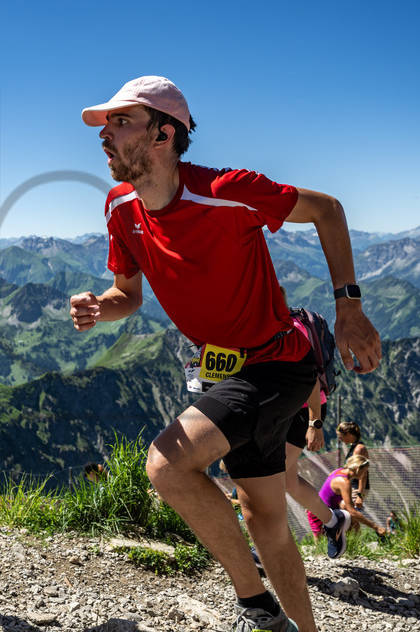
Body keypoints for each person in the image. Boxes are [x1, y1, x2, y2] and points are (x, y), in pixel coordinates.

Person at [70, 76, 381, 632]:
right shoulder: (120, 208)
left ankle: (257, 609)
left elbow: (328, 210)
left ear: (165, 134)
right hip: (223, 372)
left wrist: (349, 308)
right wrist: (102, 307)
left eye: (121, 123)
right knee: (265, 520)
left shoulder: (227, 191)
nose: (105, 137)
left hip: (277, 361)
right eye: (105, 125)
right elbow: (129, 295)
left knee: (165, 465)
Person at [278, 288, 352, 559]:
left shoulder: (290, 330)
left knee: (272, 476)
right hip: (284, 408)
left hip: (303, 409)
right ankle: (333, 521)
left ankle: (269, 549)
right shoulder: (269, 325)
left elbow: (309, 378)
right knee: (287, 480)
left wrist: (315, 423)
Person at [313, 456, 386, 539]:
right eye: (364, 471)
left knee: (353, 523)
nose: (364, 474)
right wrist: (376, 527)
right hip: (322, 513)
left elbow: (325, 491)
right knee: (352, 525)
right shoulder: (345, 482)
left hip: (319, 508)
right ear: (358, 468)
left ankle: (354, 547)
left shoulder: (337, 471)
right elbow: (352, 512)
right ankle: (353, 547)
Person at [336, 421, 370, 507]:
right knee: (346, 515)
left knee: (348, 514)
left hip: (356, 489)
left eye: (341, 437)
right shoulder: (354, 447)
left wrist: (360, 495)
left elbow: (363, 473)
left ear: (348, 434)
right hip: (352, 486)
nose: (340, 440)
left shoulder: (359, 449)